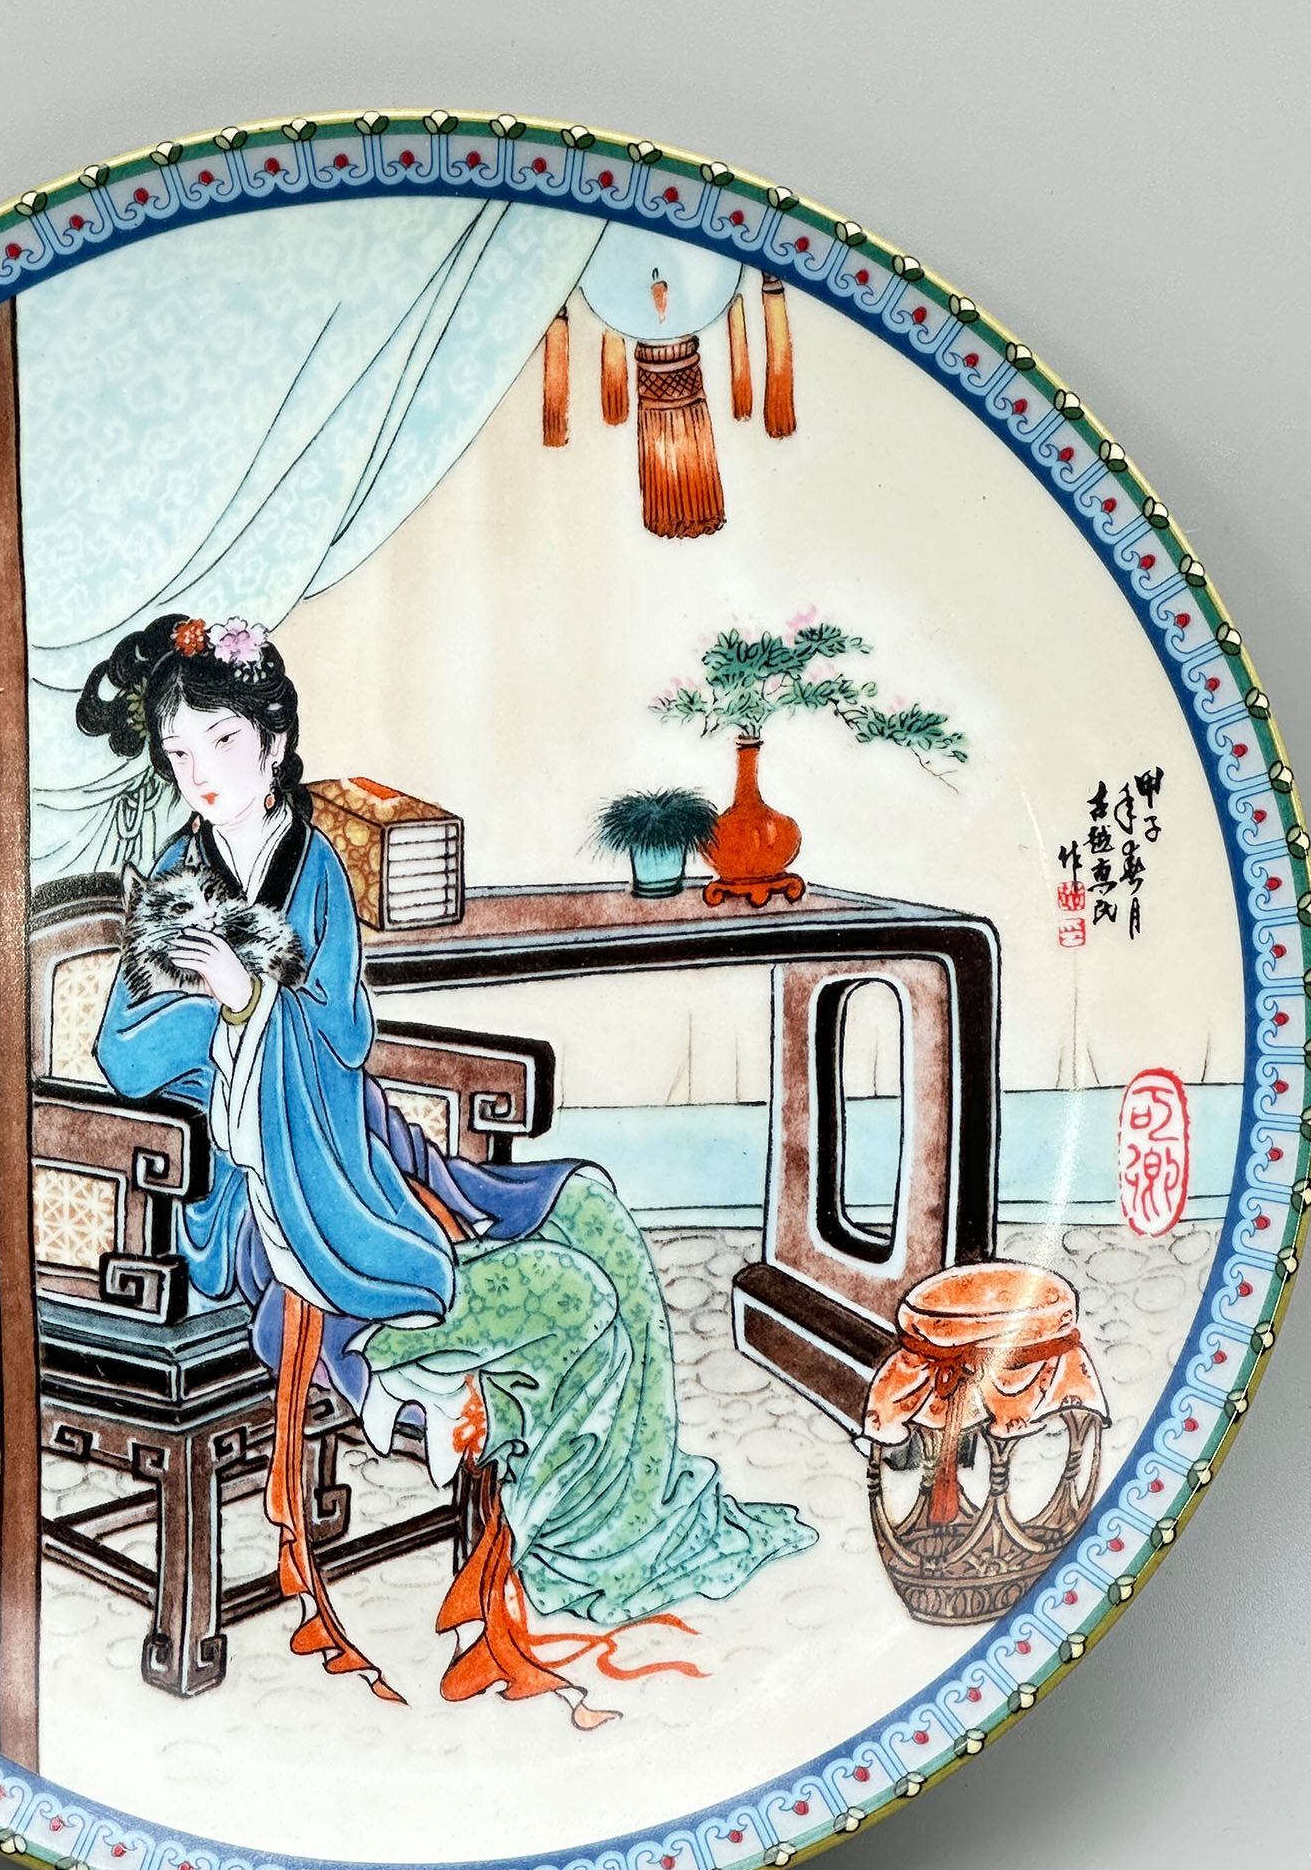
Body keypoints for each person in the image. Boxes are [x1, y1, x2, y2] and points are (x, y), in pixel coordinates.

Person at [83, 611, 814, 1728]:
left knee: (592, 1208)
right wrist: (228, 1008)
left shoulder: (312, 862)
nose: (202, 775)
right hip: (269, 1201)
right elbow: (126, 1053)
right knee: (569, 1297)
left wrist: (254, 1000)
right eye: (179, 754)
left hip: (360, 1148)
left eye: (221, 742)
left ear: (274, 742)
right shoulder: (180, 882)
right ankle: (573, 1557)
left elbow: (344, 1029)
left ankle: (636, 1520)